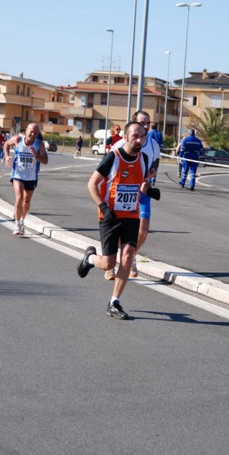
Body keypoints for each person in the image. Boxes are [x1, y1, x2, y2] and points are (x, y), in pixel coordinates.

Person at [77, 121, 160, 320]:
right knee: (108, 264)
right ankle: (90, 258)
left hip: (131, 215)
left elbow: (140, 181)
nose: (140, 140)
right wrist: (103, 207)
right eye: (135, 136)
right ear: (125, 137)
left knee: (128, 256)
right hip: (110, 216)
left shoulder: (144, 158)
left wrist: (149, 190)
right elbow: (92, 184)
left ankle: (114, 302)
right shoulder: (112, 158)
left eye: (143, 136)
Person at [108, 110, 161, 280]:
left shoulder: (153, 144)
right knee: (118, 231)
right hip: (122, 193)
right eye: (142, 123)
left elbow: (156, 162)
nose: (146, 126)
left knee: (143, 230)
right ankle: (111, 261)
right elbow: (108, 169)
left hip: (142, 191)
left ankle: (131, 256)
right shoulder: (119, 145)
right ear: (134, 124)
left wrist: (152, 172)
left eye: (148, 123)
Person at [4, 123, 48, 236]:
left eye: (35, 132)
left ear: (37, 134)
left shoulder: (40, 144)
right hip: (18, 174)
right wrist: (6, 155)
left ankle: (22, 220)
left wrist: (36, 155)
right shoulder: (18, 139)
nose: (32, 134)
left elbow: (45, 161)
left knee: (26, 201)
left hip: (31, 176)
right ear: (26, 131)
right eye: (31, 131)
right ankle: (17, 224)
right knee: (19, 197)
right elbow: (6, 144)